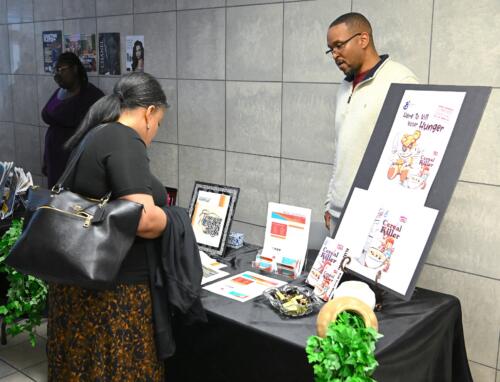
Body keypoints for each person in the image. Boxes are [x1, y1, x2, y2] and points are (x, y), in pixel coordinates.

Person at [47, 72, 169, 381]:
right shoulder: (123, 138)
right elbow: (143, 219)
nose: (154, 133)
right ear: (149, 112)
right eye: (159, 124)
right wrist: (177, 218)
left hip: (80, 287)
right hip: (114, 299)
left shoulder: (97, 133)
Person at [323, 13, 418, 233]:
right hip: (338, 214)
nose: (335, 55)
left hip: (374, 218)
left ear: (363, 40)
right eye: (331, 49)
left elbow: (407, 157)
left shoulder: (401, 81)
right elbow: (342, 148)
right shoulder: (345, 85)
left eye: (339, 46)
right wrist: (330, 202)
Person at [41, 52, 104, 188]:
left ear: (75, 69)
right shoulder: (60, 92)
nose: (59, 74)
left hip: (74, 160)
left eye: (62, 70)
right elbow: (46, 114)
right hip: (54, 157)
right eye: (57, 70)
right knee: (54, 198)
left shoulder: (91, 96)